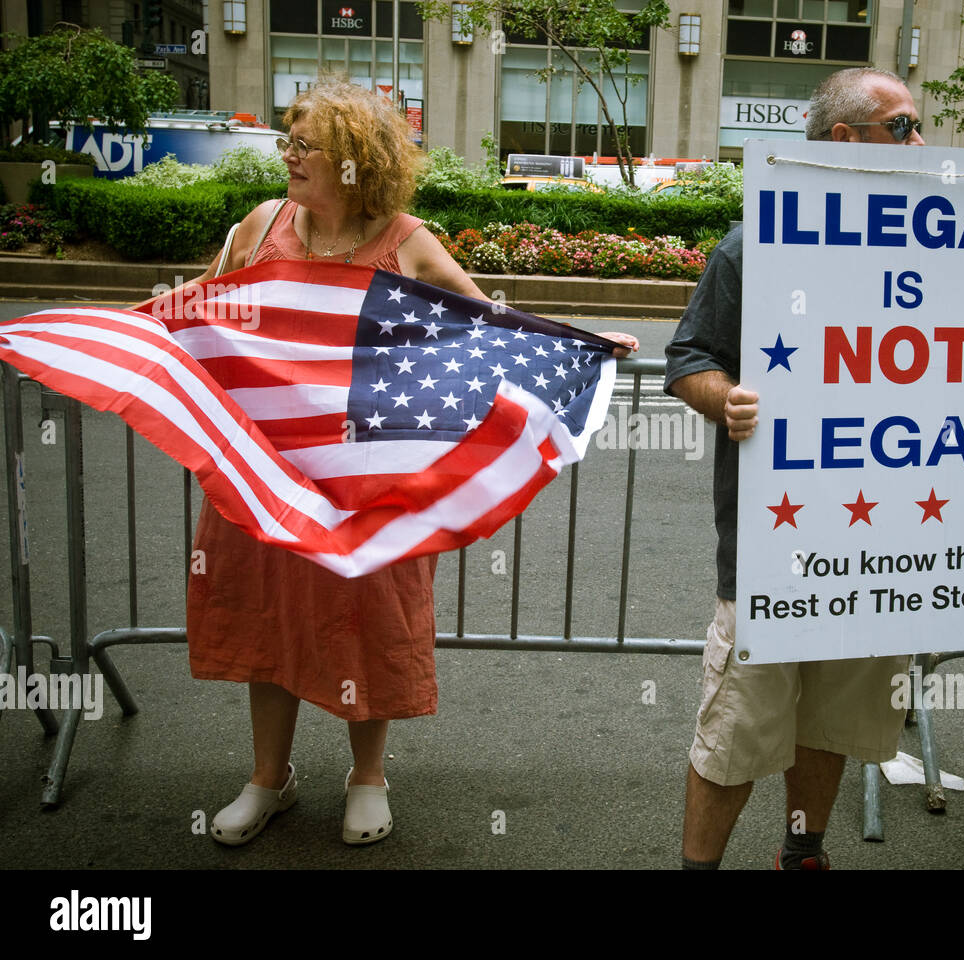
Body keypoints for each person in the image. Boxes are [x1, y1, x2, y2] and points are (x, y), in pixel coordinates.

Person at [135, 80, 636, 847]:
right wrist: (109, 336)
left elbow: (487, 331)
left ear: (354, 161)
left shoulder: (404, 241)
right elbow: (194, 313)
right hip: (263, 471)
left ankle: (368, 776)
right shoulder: (258, 226)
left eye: (306, 145)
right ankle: (269, 778)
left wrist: (577, 345)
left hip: (367, 478)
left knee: (368, 622)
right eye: (289, 141)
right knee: (266, 617)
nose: (290, 157)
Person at [666, 66, 964, 869]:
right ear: (845, 141)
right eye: (904, 126)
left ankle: (803, 850)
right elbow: (687, 359)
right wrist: (726, 396)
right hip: (775, 555)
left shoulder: (948, 243)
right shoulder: (757, 241)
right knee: (737, 732)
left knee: (836, 724)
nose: (921, 142)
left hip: (877, 552)